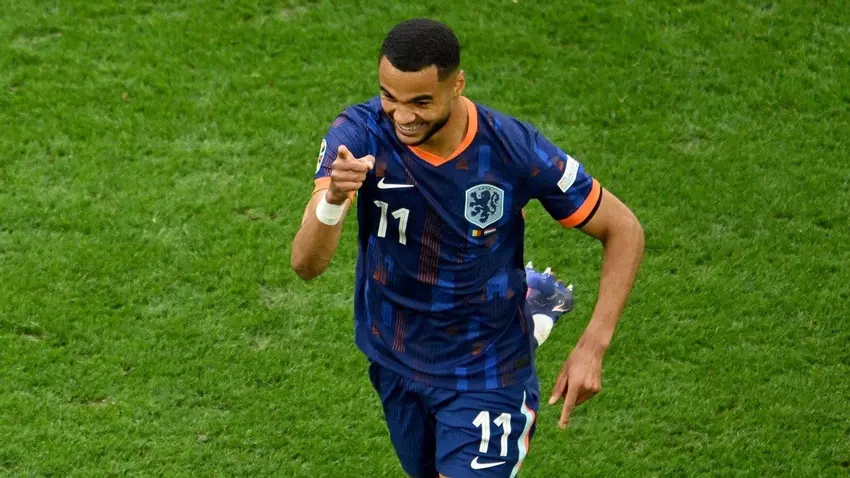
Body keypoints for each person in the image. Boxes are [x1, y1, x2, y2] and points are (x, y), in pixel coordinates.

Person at [291, 18, 644, 478]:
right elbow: (306, 264)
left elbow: (623, 228)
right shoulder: (359, 135)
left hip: (487, 371)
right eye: (390, 97)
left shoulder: (512, 149)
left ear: (457, 84)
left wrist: (593, 346)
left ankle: (522, 316)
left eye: (421, 102)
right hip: (396, 354)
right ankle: (532, 307)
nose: (402, 117)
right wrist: (335, 199)